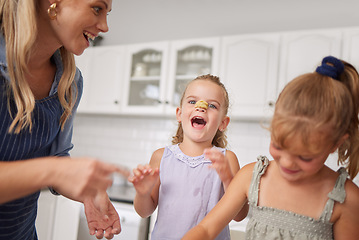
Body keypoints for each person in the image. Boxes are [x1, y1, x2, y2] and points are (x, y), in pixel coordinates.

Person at [182, 56, 359, 240]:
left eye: (305, 157)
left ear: (336, 143)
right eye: (279, 145)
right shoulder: (251, 176)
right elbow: (206, 230)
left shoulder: (346, 200)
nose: (288, 162)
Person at [0, 0, 129, 240]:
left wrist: (88, 193)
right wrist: (54, 171)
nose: (105, 26)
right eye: (97, 8)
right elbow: (54, 168)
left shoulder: (69, 84)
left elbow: (56, 157)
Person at [128, 74, 249, 240]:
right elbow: (144, 212)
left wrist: (228, 178)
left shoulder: (227, 160)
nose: (201, 107)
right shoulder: (161, 157)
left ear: (223, 123)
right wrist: (142, 193)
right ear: (179, 113)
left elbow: (240, 215)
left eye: (212, 105)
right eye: (192, 101)